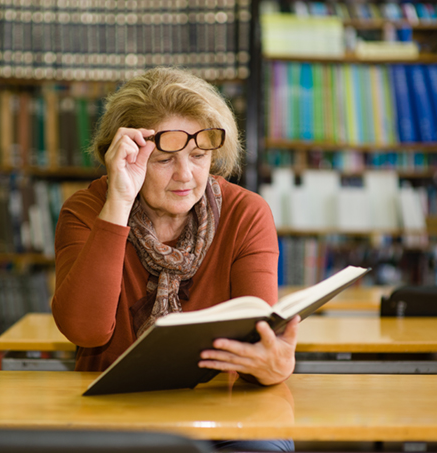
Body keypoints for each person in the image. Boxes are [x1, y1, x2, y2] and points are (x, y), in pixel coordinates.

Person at [51, 67, 299, 452]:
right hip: (116, 415)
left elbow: (257, 341)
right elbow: (86, 331)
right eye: (164, 160)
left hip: (226, 413)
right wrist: (118, 200)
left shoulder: (246, 213)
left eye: (199, 155)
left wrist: (274, 366)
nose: (186, 175)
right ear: (125, 157)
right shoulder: (86, 211)